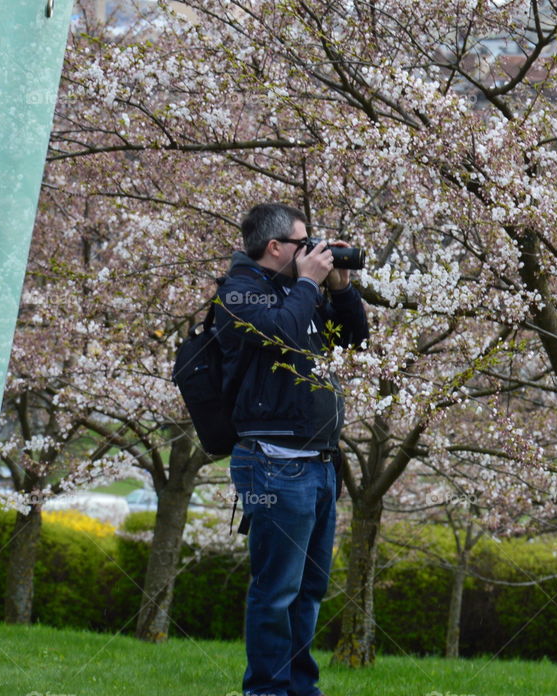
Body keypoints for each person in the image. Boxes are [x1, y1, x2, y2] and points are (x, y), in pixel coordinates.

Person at [215, 203, 369, 696]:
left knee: (309, 591)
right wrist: (307, 284)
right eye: (304, 243)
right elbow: (277, 334)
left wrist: (340, 292)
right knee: (276, 591)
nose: (313, 252)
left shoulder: (296, 294)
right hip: (274, 465)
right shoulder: (240, 290)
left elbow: (353, 342)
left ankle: (301, 688)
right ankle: (265, 691)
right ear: (276, 246)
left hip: (320, 465)